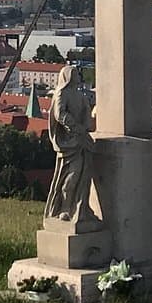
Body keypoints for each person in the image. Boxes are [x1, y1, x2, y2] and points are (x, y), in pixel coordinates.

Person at [44, 65, 99, 225]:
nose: (78, 76)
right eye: (74, 74)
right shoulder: (62, 93)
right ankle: (65, 209)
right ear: (68, 77)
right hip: (69, 142)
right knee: (71, 177)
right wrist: (74, 126)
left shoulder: (80, 95)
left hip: (81, 141)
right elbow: (59, 114)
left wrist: (85, 124)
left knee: (83, 175)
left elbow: (86, 113)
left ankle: (80, 208)